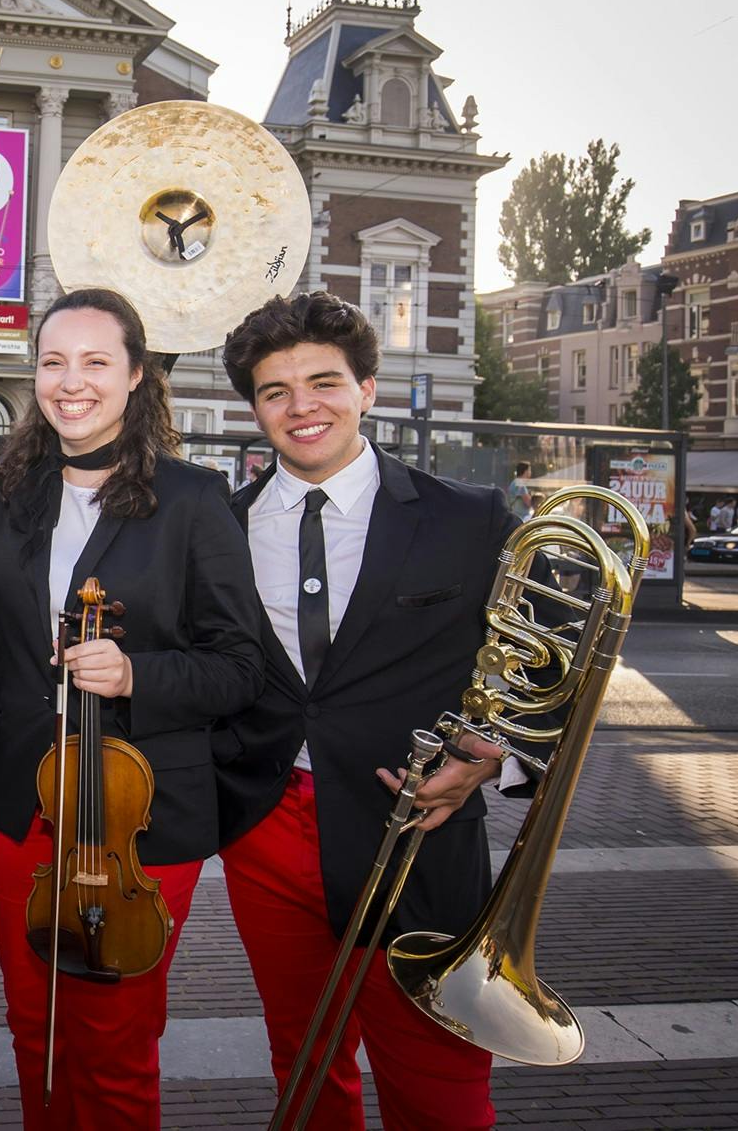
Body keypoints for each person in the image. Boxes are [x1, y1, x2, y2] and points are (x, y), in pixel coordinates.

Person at [213, 292, 539, 1131]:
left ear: (367, 387)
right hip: (265, 827)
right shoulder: (216, 527)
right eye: (275, 390)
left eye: (324, 381)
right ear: (255, 408)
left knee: (438, 1072)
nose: (301, 406)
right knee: (305, 1054)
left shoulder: (471, 519)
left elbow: (541, 677)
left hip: (417, 829)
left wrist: (492, 755)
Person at [0, 288, 264, 1126]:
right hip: (23, 806)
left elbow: (239, 668)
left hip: (141, 811)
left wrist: (136, 674)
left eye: (94, 361)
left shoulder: (193, 498)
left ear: (135, 376)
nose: (69, 381)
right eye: (53, 361)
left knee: (114, 1038)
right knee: (33, 1025)